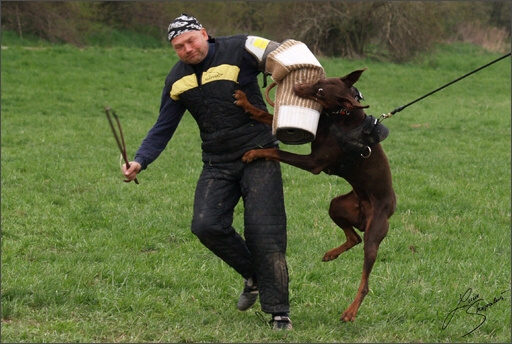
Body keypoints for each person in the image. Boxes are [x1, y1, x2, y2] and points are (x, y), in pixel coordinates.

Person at [122, 14, 292, 330]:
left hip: (260, 154)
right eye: (179, 46)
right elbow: (163, 125)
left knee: (264, 233)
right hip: (217, 161)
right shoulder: (176, 80)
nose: (187, 49)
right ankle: (253, 274)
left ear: (204, 33)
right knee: (205, 225)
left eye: (190, 40)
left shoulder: (238, 47)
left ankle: (279, 312)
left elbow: (285, 55)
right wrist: (140, 160)